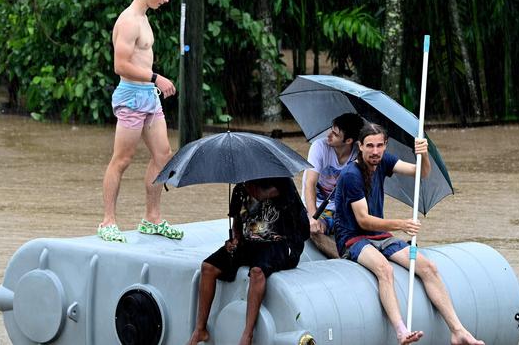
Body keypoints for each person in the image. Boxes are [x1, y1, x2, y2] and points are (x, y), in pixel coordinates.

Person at [334, 123, 484, 345]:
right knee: (384, 269)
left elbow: (420, 173)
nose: (375, 152)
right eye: (369, 146)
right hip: (353, 238)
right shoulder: (350, 175)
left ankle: (458, 330)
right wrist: (400, 224)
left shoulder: (383, 161)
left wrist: (424, 155)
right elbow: (363, 220)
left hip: (380, 235)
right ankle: (401, 331)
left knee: (428, 267)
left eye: (379, 146)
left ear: (385, 146)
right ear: (360, 146)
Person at [97, 0, 183, 242]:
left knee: (163, 155)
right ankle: (108, 222)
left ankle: (152, 218)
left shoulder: (144, 18)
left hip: (148, 96)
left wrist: (152, 83)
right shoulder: (128, 21)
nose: (166, 0)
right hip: (131, 96)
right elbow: (120, 65)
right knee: (122, 159)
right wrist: (156, 77)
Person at [188, 177, 309, 345]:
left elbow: (295, 218)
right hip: (249, 242)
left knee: (257, 271)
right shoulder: (239, 189)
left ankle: (248, 334)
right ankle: (200, 329)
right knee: (208, 267)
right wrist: (234, 240)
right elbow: (238, 223)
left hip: (279, 242)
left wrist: (257, 190)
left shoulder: (282, 183)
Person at [303, 113, 364, 258]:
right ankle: (344, 258)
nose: (329, 135)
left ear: (349, 140)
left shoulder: (359, 155)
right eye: (331, 130)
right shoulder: (319, 147)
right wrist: (313, 217)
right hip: (318, 207)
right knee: (313, 229)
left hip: (344, 209)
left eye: (335, 134)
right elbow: (309, 184)